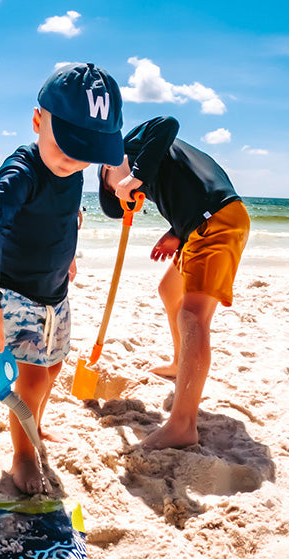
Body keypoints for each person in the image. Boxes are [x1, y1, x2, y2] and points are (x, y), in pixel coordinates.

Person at [0, 62, 125, 493]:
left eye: (88, 149)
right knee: (32, 378)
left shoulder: (72, 172)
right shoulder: (23, 170)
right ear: (38, 120)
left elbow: (70, 213)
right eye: (69, 143)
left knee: (53, 368)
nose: (75, 158)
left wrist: (70, 254)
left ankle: (33, 426)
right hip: (15, 293)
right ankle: (22, 453)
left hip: (56, 293)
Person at [98, 115, 251, 450]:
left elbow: (168, 122)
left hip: (217, 222)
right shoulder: (155, 165)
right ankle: (180, 362)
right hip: (202, 222)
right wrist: (175, 232)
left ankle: (183, 425)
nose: (123, 197)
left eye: (112, 186)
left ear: (112, 164)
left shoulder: (136, 146)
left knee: (192, 315)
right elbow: (191, 189)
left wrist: (133, 176)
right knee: (169, 290)